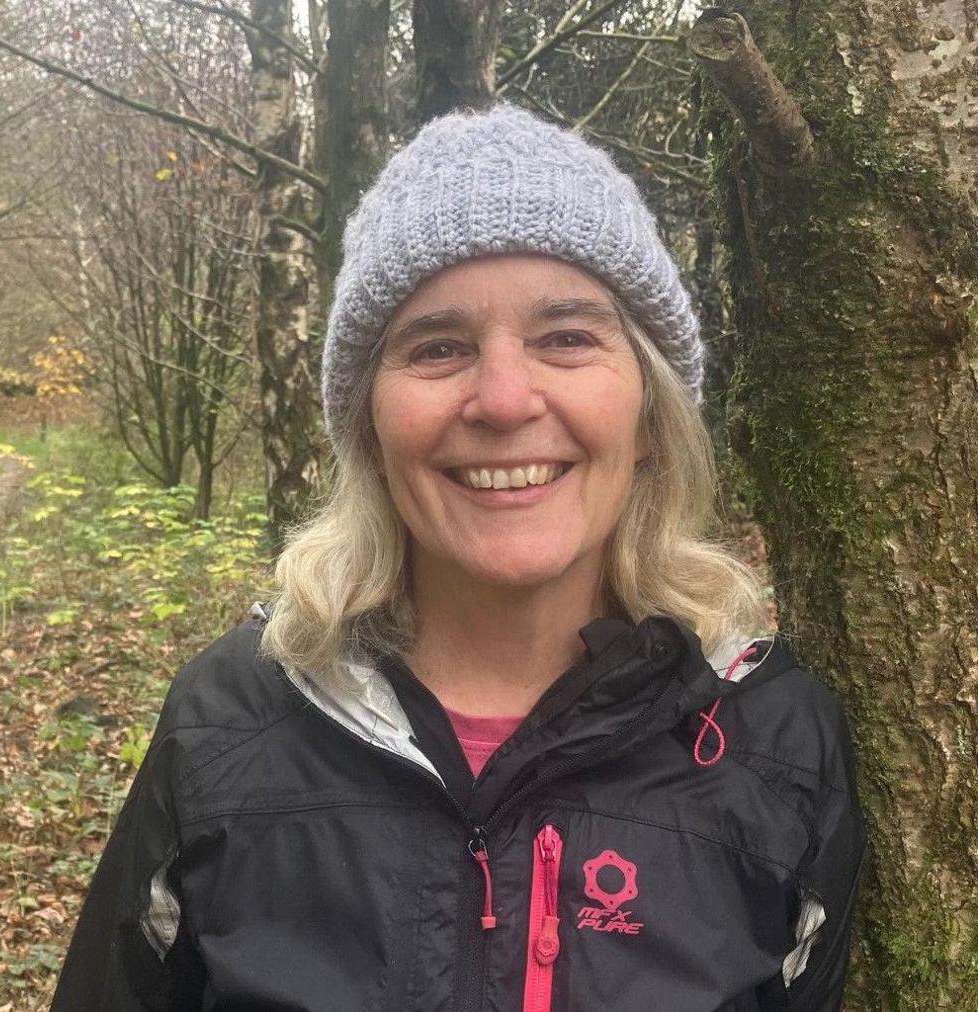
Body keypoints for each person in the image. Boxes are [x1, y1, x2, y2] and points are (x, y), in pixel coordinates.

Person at [51, 101, 865, 1012]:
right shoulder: (227, 729)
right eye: (438, 347)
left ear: (649, 413)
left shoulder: (778, 750)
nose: (505, 398)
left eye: (567, 337)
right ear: (370, 427)